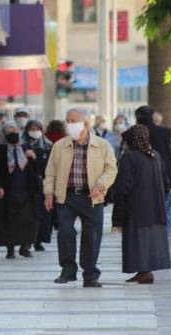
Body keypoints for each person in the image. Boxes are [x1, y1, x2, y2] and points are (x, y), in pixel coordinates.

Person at [44, 107, 117, 288]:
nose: (69, 124)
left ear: (85, 123)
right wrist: (48, 193)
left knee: (92, 236)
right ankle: (68, 270)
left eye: (73, 120)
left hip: (92, 198)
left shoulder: (102, 145)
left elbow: (111, 169)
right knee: (65, 233)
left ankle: (90, 274)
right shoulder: (60, 146)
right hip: (67, 197)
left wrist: (101, 185)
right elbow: (50, 172)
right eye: (67, 120)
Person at [112, 125, 171, 284]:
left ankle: (144, 271)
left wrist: (115, 197)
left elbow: (124, 185)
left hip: (136, 207)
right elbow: (165, 183)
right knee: (149, 240)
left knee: (137, 240)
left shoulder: (130, 157)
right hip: (155, 206)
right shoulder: (156, 155)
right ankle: (145, 271)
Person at [0, 122, 42, 259]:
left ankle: (25, 247)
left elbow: (37, 168)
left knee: (28, 220)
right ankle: (10, 249)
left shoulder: (26, 147)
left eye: (15, 130)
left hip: (27, 190)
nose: (13, 134)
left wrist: (33, 157)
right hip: (9, 191)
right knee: (9, 221)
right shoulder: (0, 150)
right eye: (9, 132)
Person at [135, 106, 171, 235]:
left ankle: (146, 238)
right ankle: (163, 240)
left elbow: (122, 158)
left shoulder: (132, 133)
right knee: (165, 211)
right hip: (163, 178)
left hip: (139, 180)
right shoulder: (164, 132)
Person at [21, 120, 53, 251]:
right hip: (26, 185)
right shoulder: (21, 145)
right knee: (29, 214)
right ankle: (27, 242)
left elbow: (51, 165)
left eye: (37, 128)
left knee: (43, 214)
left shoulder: (48, 146)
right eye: (32, 128)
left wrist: (35, 159)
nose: (34, 131)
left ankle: (39, 240)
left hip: (44, 184)